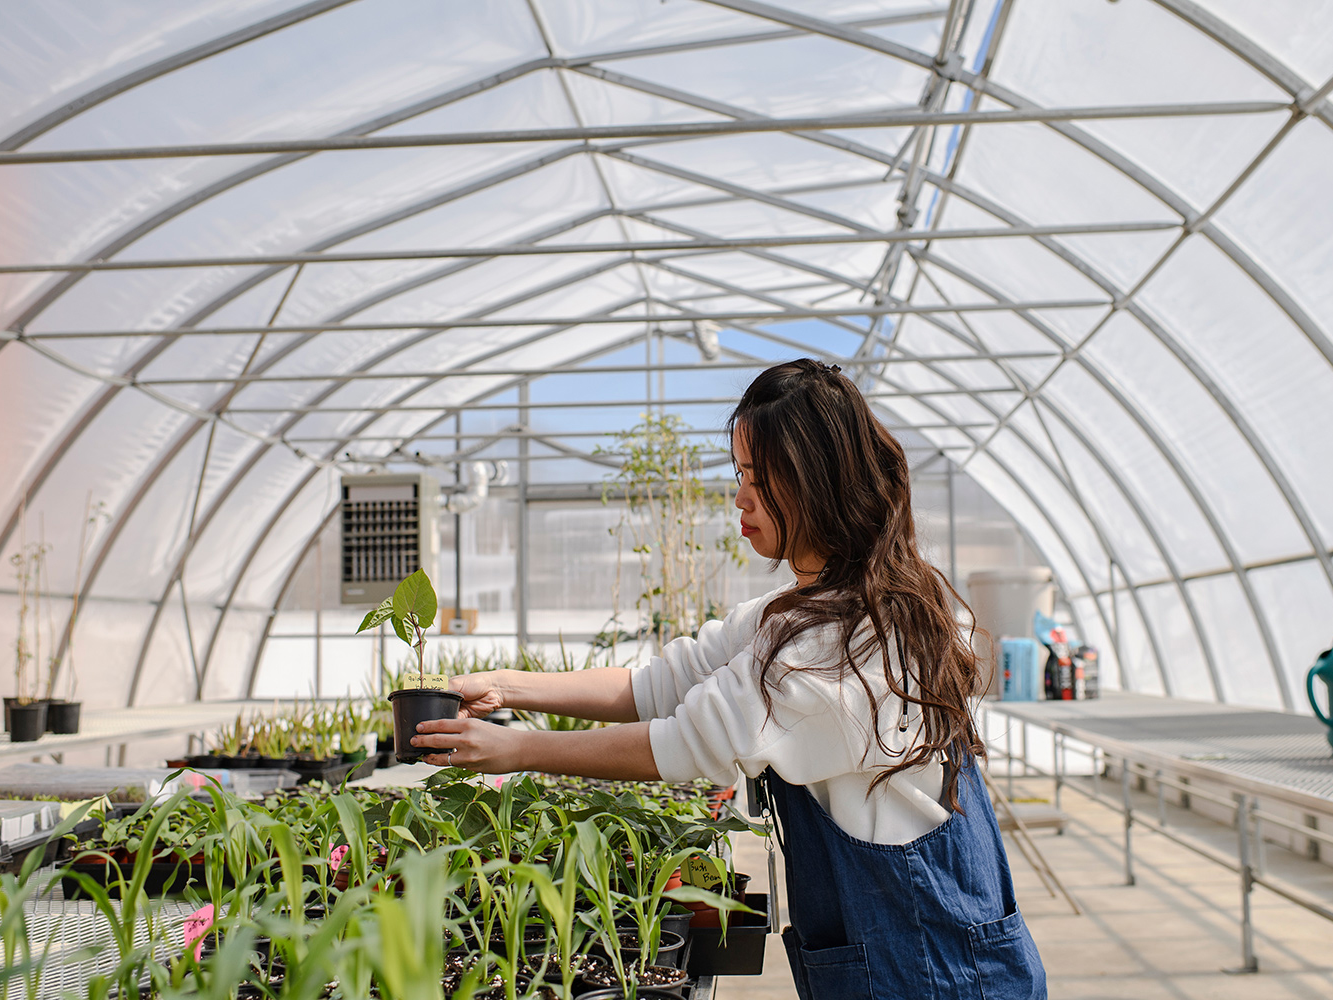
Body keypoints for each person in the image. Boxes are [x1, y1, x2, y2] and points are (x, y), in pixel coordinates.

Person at [413, 358, 1047, 999]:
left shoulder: (849, 648)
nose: (740, 497)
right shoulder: (812, 612)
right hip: (906, 955)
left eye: (762, 478)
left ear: (819, 484)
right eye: (740, 473)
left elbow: (683, 743)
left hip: (935, 972)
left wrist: (517, 749)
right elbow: (656, 686)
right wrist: (504, 686)